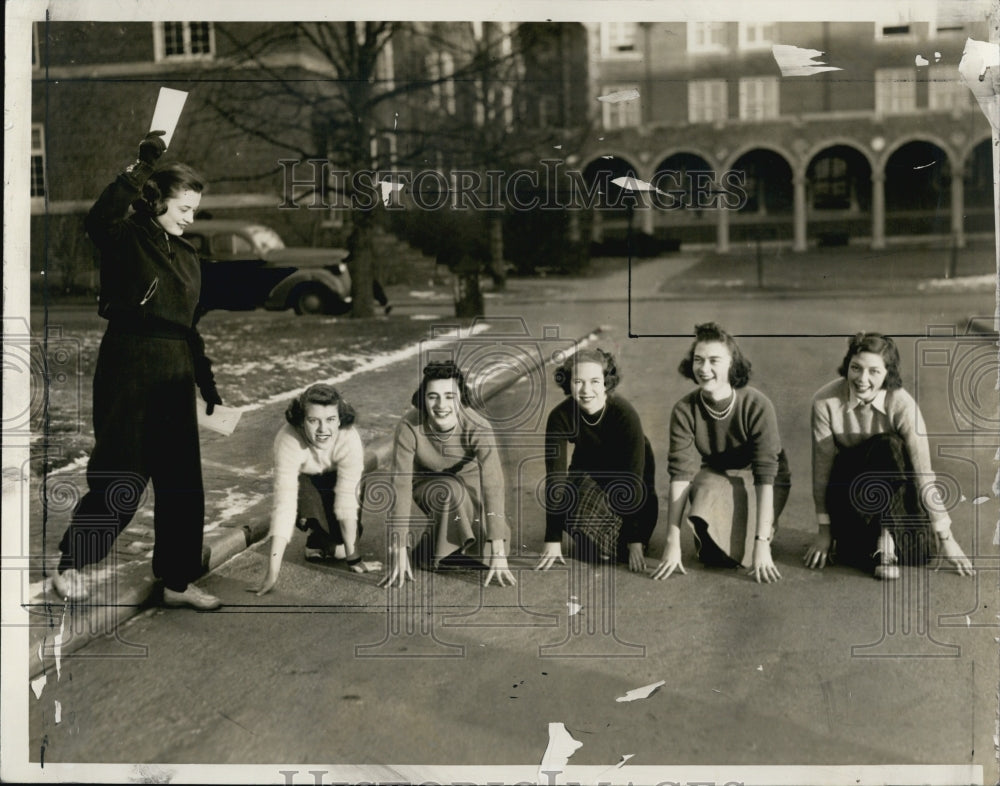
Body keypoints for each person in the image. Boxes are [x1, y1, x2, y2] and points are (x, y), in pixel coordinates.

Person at [51, 130, 223, 609]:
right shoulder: (128, 237)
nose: (190, 218)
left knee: (182, 481)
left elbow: (190, 326)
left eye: (194, 209)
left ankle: (176, 581)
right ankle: (72, 565)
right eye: (183, 208)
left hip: (173, 369)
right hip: (129, 363)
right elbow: (99, 218)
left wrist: (205, 382)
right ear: (158, 202)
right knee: (122, 476)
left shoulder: (189, 256)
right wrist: (141, 167)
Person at [804, 332, 974, 579]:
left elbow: (923, 473)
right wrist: (824, 531)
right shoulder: (825, 401)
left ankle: (882, 539)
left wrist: (946, 537)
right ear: (847, 366)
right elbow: (822, 470)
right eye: (856, 368)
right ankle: (882, 542)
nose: (862, 379)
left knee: (923, 553)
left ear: (888, 373)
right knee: (886, 446)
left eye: (874, 371)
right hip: (852, 490)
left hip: (895, 493)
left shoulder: (902, 404)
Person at [651, 323, 790, 584]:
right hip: (716, 477)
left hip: (761, 479)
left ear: (732, 364)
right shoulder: (684, 409)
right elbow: (681, 475)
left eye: (714, 360)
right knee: (715, 557)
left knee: (751, 554)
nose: (704, 369)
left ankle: (766, 526)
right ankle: (735, 529)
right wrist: (672, 542)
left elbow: (766, 474)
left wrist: (762, 544)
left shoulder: (757, 404)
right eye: (698, 360)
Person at [380, 361, 515, 588]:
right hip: (430, 485)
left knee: (489, 552)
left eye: (449, 396)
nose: (441, 405)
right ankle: (438, 552)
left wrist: (498, 547)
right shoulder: (408, 426)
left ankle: (428, 549)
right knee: (449, 490)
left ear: (461, 398)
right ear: (423, 398)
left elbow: (493, 483)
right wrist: (399, 546)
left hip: (473, 487)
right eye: (433, 396)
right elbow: (400, 485)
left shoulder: (477, 426)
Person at [535, 348, 659, 573]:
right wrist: (553, 540)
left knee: (619, 551)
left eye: (594, 381)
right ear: (568, 383)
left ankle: (624, 538)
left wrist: (635, 541)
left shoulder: (624, 414)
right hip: (590, 478)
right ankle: (601, 536)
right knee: (575, 515)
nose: (586, 390)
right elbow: (556, 478)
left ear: (606, 383)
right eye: (578, 381)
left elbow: (635, 481)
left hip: (631, 488)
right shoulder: (560, 416)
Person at [254, 384, 380, 596]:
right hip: (306, 483)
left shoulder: (349, 437)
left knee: (345, 545)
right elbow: (284, 505)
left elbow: (347, 500)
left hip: (336, 479)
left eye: (330, 420)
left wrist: (354, 558)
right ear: (302, 421)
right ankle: (317, 535)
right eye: (314, 421)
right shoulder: (288, 439)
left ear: (339, 419)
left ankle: (324, 543)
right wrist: (272, 573)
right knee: (304, 496)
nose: (323, 430)